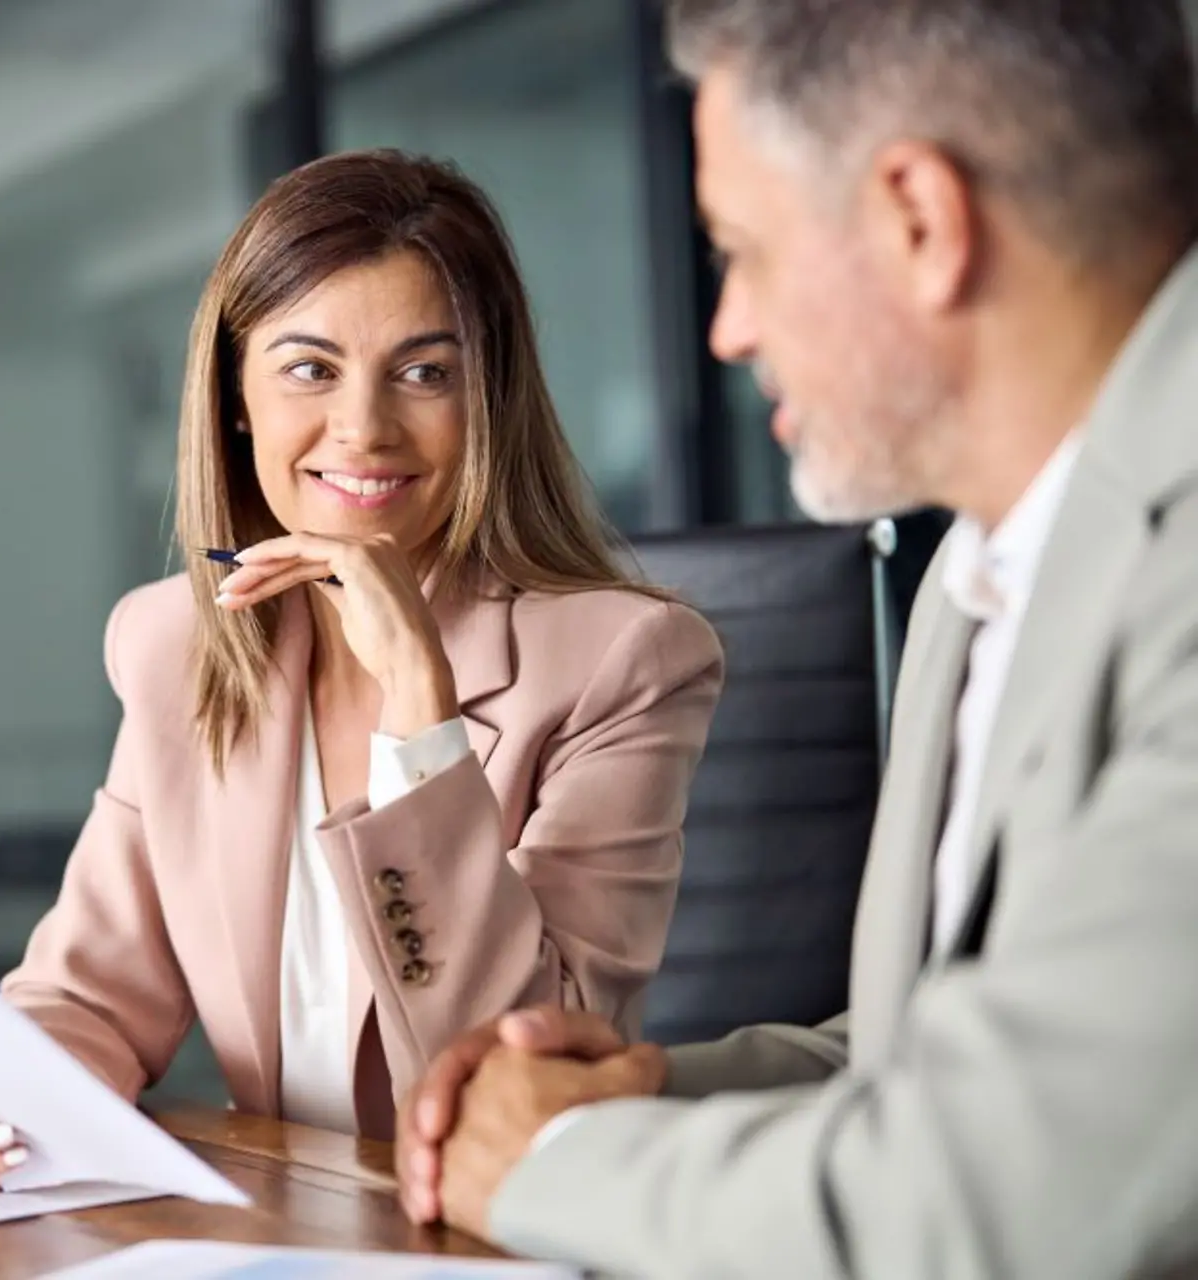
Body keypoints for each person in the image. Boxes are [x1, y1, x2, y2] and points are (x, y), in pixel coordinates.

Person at [396, 1, 1198, 1275]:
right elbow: (926, 1052)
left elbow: (1008, 1188)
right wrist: (645, 1093)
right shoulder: (981, 572)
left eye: (744, 252)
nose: (729, 329)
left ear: (918, 223)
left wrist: (554, 1164)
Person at [0, 150, 723, 1191]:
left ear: (488, 401)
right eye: (310, 367)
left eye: (424, 372)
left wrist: (423, 717)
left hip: (499, 1230)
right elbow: (91, 993)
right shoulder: (178, 645)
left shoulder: (624, 661)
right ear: (235, 396)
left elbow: (522, 1071)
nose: (364, 427)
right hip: (277, 1222)